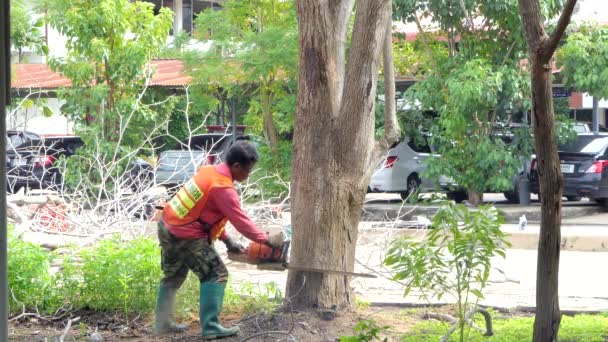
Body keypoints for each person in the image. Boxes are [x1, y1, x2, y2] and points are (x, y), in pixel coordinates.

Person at [154, 140, 284, 339]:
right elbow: (242, 223)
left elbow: (204, 214)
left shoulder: (208, 172)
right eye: (248, 171)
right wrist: (267, 241)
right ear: (236, 166)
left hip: (167, 226)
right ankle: (211, 327)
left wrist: (227, 240)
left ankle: (162, 323)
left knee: (173, 275)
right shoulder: (223, 188)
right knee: (216, 274)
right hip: (185, 235)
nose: (248, 175)